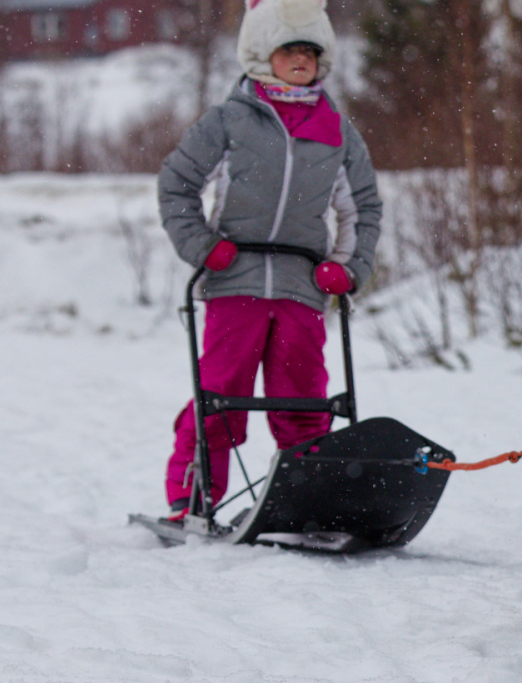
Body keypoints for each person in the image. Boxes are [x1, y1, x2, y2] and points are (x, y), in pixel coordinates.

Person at [157, 0, 380, 522]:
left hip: (303, 286)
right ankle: (193, 497)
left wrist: (347, 268)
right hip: (235, 280)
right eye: (289, 50)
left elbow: (363, 207)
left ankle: (309, 501)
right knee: (220, 398)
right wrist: (202, 246)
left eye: (310, 51)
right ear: (263, 54)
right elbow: (177, 184)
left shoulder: (336, 131)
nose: (301, 59)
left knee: (303, 403)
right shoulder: (230, 121)